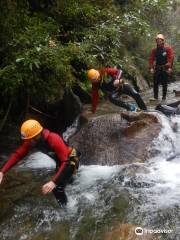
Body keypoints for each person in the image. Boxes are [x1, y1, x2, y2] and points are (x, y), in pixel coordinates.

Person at [0, 119, 80, 206]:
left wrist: (53, 182)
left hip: (71, 159)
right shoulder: (32, 141)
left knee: (57, 187)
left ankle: (66, 210)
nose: (27, 142)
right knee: (65, 179)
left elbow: (66, 162)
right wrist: (2, 172)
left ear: (37, 136)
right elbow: (18, 155)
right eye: (27, 140)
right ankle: (74, 185)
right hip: (61, 160)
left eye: (29, 140)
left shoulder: (53, 138)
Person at [149, 34, 174, 101]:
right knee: (155, 83)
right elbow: (151, 59)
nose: (159, 41)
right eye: (157, 40)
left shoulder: (168, 48)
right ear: (156, 41)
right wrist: (151, 68)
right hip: (157, 67)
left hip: (165, 68)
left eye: (160, 40)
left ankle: (164, 98)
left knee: (164, 83)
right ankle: (155, 97)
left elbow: (171, 58)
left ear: (163, 41)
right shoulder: (154, 50)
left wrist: (170, 67)